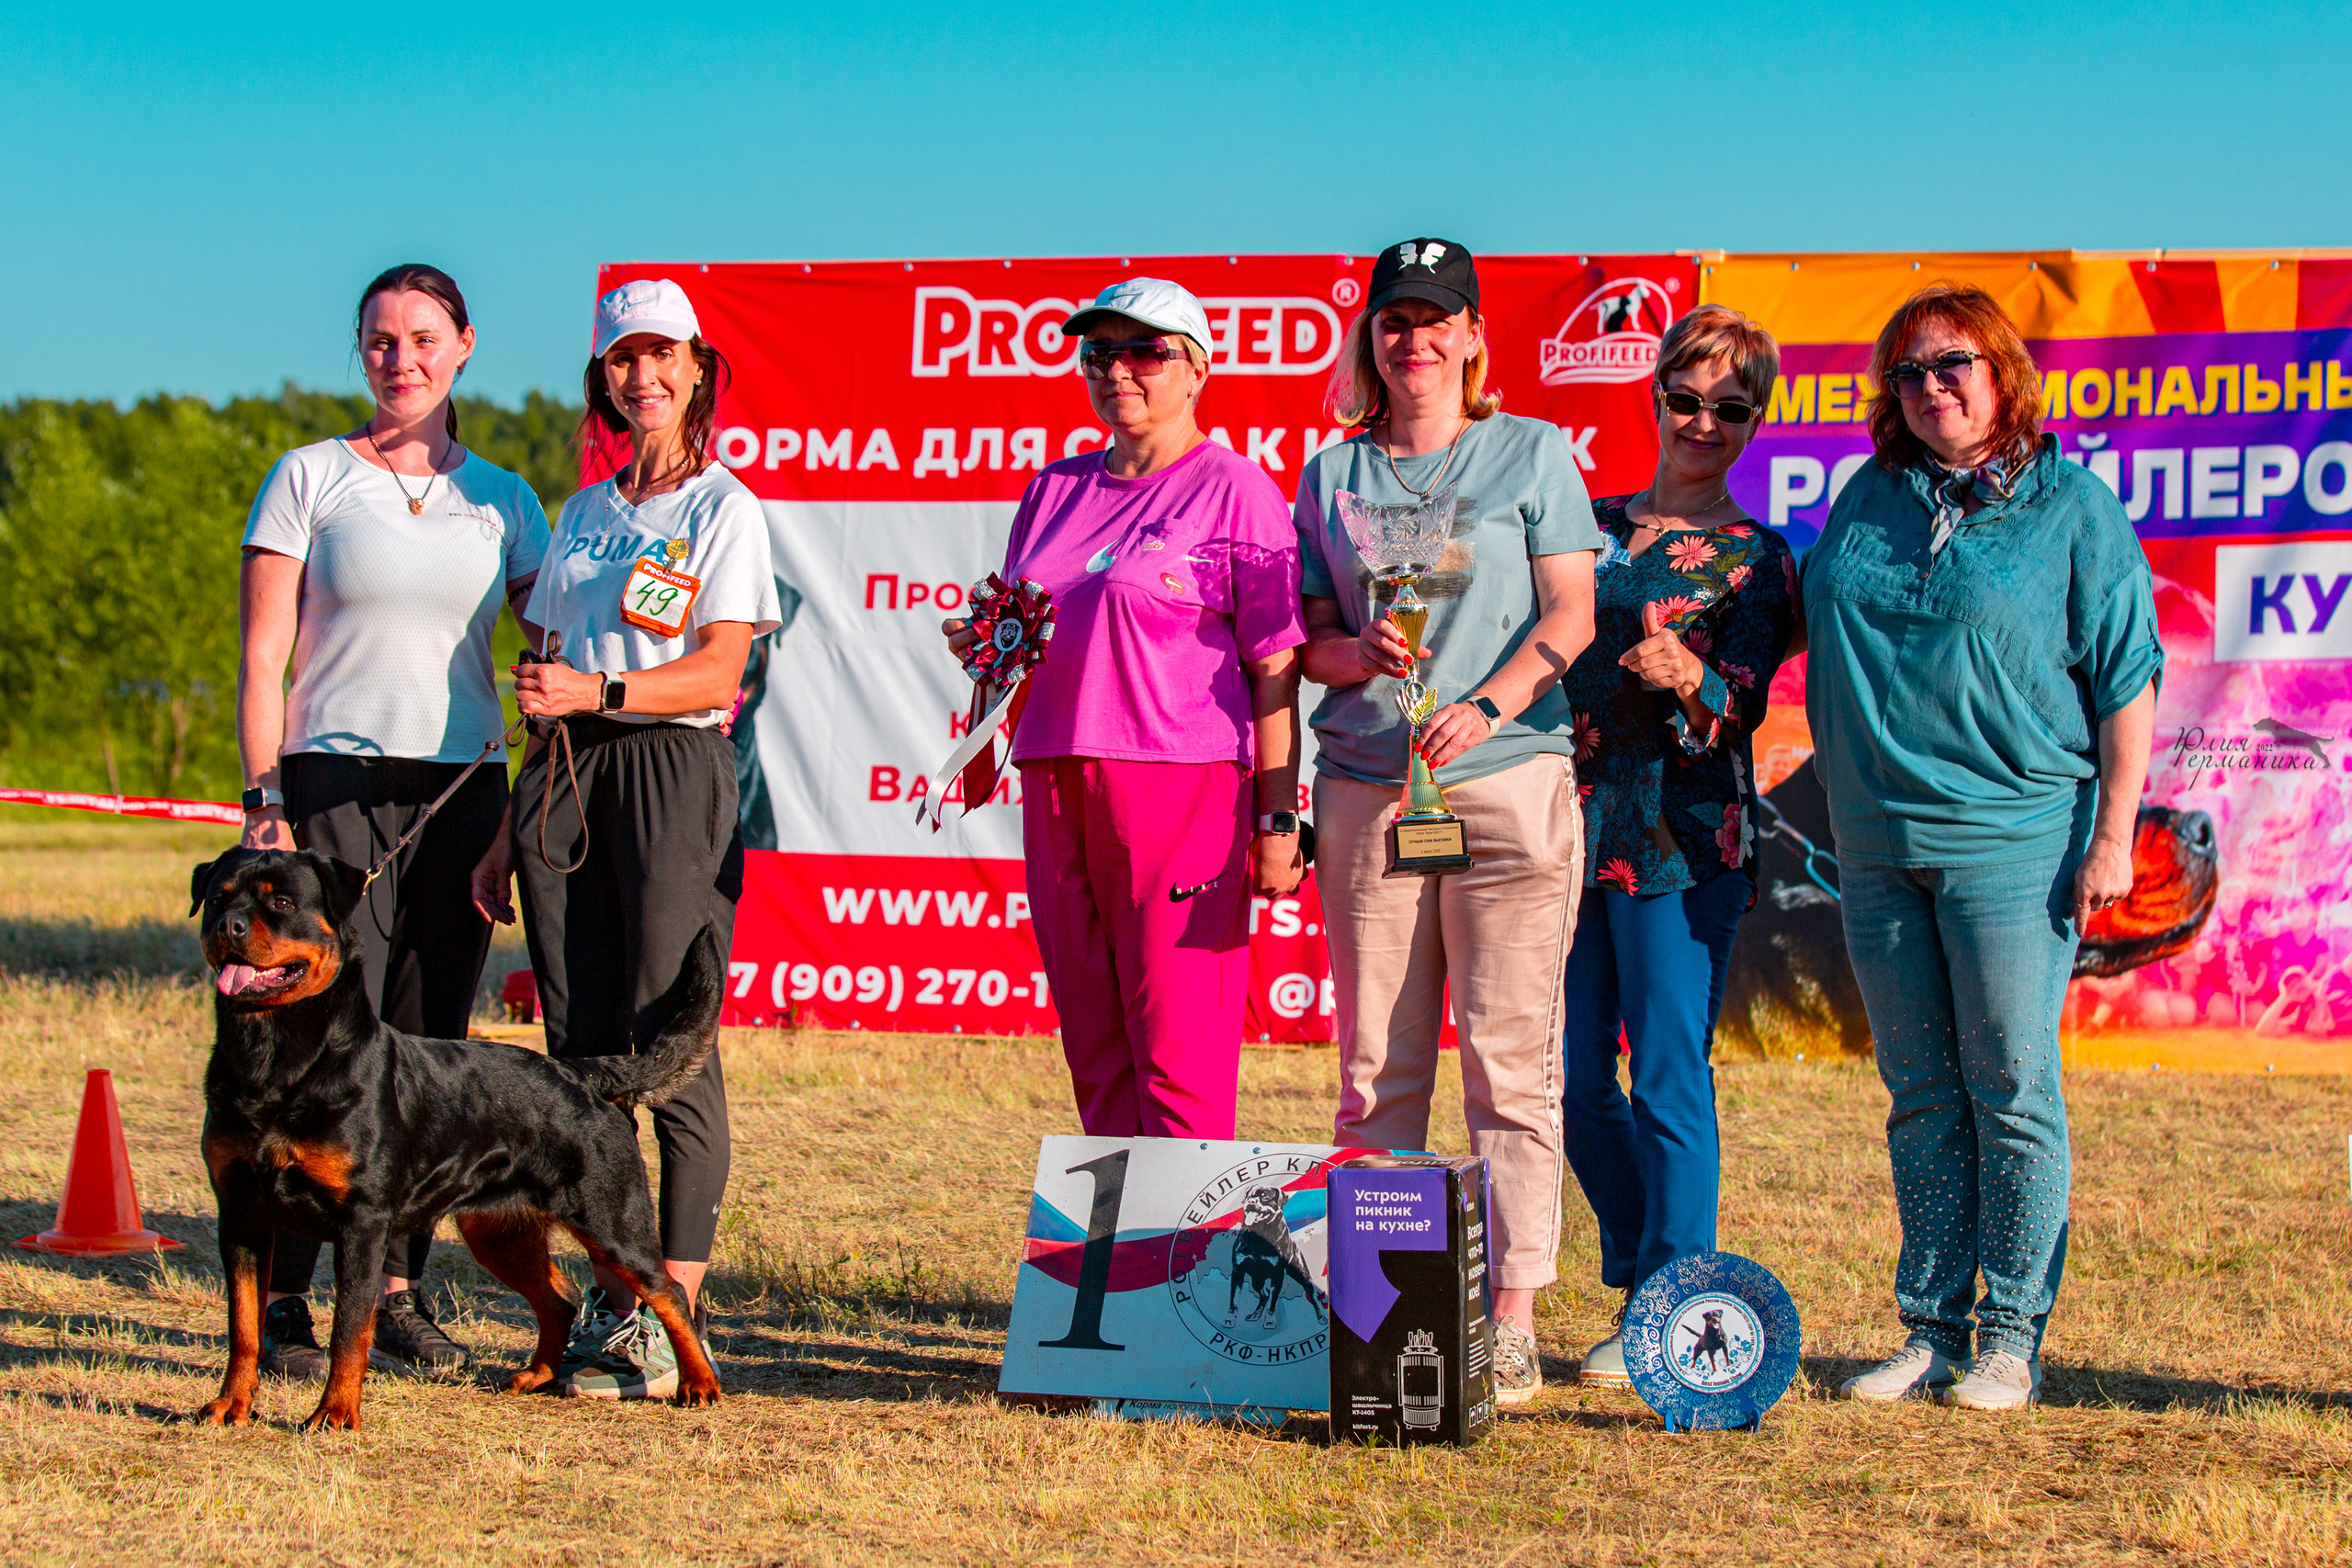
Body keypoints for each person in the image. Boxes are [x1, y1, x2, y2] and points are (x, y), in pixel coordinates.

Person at [1808, 284, 2161, 1411]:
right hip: (1876, 849)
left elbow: (2125, 682)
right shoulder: (1868, 496)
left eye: (1950, 364)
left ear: (2001, 370)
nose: (1928, 388)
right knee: (1918, 1093)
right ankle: (1929, 1327)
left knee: (2009, 1089)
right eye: (1906, 374)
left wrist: (2112, 835)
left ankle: (2009, 1336)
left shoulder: (2072, 508)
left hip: (2014, 847)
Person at [1295, 238, 1599, 1406]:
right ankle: (1374, 1307)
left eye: (1435, 321)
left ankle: (1510, 1312)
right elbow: (1309, 643)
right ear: (1370, 338)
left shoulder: (1531, 452)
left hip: (1506, 774)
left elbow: (1568, 612)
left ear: (1474, 337)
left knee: (1510, 1063)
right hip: (1371, 783)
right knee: (1376, 1067)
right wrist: (1354, 651)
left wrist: (1484, 704)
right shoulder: (1329, 474)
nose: (1411, 340)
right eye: (1392, 321)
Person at [236, 263, 548, 1382]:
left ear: (466, 344)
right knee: (312, 1042)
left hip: (464, 796)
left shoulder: (509, 500)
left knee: (424, 1051)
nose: (400, 359)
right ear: (359, 352)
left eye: (423, 339)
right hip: (328, 789)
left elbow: (555, 650)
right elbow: (264, 656)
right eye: (379, 341)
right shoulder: (309, 478)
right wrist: (265, 799)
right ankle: (279, 1301)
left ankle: (401, 1291)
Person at [470, 277, 781, 1400]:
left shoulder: (723, 509)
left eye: (660, 357)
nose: (640, 377)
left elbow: (717, 670)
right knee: (580, 1049)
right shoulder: (588, 511)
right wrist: (511, 826)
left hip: (665, 765)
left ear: (698, 368)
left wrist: (600, 686)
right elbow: (541, 675)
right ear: (602, 378)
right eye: (620, 360)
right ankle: (613, 1297)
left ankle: (671, 1310)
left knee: (670, 1042)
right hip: (565, 776)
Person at [941, 277, 1306, 1139]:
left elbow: (1277, 667)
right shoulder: (1053, 488)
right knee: (1094, 1041)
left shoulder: (1235, 489)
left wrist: (1281, 816)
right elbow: (1021, 626)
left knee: (1178, 1048)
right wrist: (985, 645)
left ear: (1197, 369)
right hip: (1056, 773)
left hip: (1180, 785)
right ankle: (1120, 1270)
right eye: (1099, 352)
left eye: (1145, 350)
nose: (1119, 371)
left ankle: (1195, 1264)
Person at [1556, 306, 1798, 1386]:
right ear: (1654, 395)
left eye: (1731, 407)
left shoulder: (1757, 558)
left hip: (1683, 840)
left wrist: (1693, 677)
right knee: (1565, 1082)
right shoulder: (1584, 519)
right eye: (1686, 398)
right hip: (1563, 828)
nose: (1704, 421)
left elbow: (1744, 704)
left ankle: (1668, 1303)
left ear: (1757, 422)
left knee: (1664, 1076)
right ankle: (1637, 1257)